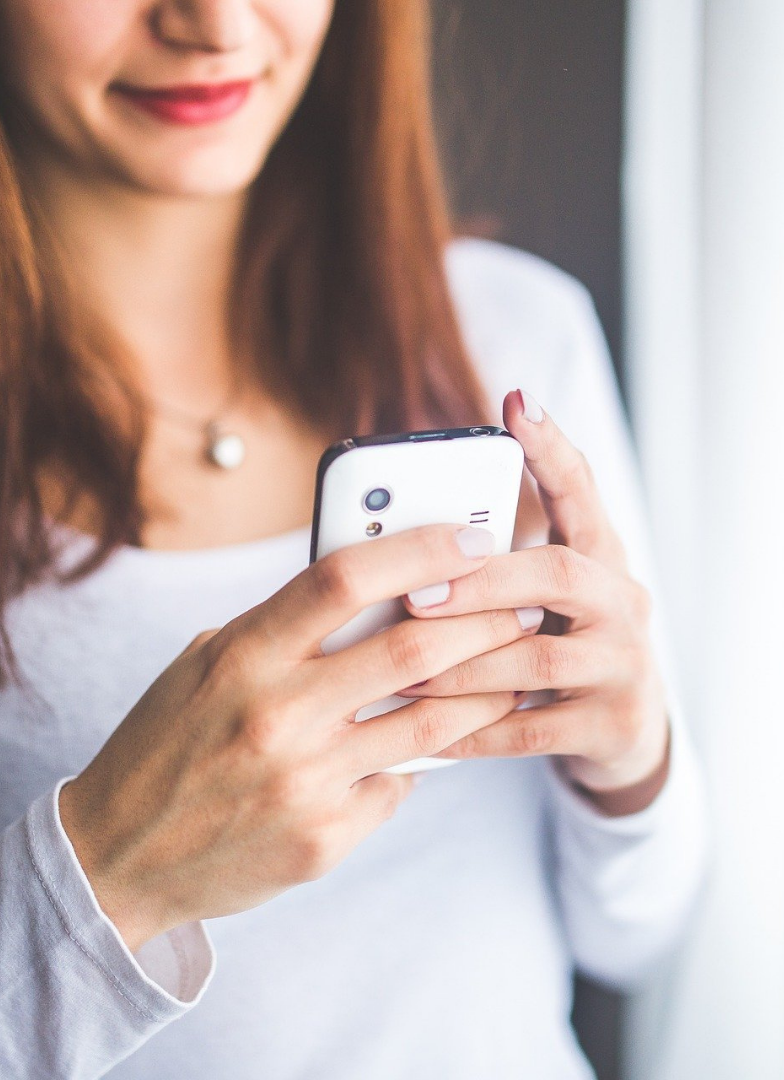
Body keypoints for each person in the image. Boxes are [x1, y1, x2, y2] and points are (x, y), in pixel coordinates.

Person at [0, 1, 707, 1077]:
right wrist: (111, 870)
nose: (215, 25)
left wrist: (631, 760)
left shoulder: (516, 340)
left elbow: (639, 934)